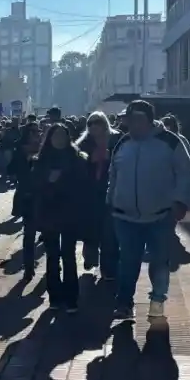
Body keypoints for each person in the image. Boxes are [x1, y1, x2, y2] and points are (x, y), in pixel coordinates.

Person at [107, 100, 190, 320]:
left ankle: (157, 301)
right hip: (125, 217)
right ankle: (124, 304)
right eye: (130, 121)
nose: (133, 126)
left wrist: (180, 202)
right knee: (128, 261)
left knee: (159, 261)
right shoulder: (122, 143)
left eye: (138, 120)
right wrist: (111, 200)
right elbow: (114, 175)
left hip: (160, 216)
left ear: (148, 120)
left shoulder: (170, 142)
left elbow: (185, 173)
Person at [33, 123, 88, 312]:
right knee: (52, 256)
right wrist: (49, 181)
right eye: (55, 136)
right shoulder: (42, 159)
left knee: (68, 255)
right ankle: (55, 296)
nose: (59, 139)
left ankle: (71, 298)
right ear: (49, 138)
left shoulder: (77, 157)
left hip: (70, 213)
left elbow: (83, 185)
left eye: (63, 136)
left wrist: (61, 180)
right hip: (49, 213)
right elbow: (36, 186)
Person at [76, 111, 123, 279]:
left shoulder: (117, 139)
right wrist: (89, 161)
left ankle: (108, 269)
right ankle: (90, 256)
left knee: (109, 232)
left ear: (105, 124)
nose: (94, 126)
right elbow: (76, 167)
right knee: (91, 229)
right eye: (90, 123)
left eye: (97, 122)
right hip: (90, 193)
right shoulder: (83, 144)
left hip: (112, 191)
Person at [9, 123, 41, 280]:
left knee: (48, 233)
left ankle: (53, 264)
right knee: (29, 234)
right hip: (28, 195)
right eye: (33, 132)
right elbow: (11, 168)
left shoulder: (45, 148)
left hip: (44, 197)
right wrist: (24, 160)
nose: (36, 135)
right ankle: (29, 267)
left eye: (37, 132)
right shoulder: (20, 150)